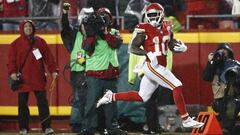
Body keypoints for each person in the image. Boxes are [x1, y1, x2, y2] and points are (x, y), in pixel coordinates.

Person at [96, 3, 204, 129]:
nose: (152, 18)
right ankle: (186, 119)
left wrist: (181, 47)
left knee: (142, 96)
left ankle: (111, 96)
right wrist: (147, 53)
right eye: (150, 15)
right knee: (177, 85)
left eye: (155, 15)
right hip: (153, 66)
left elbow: (170, 45)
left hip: (160, 65)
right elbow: (133, 48)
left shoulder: (168, 26)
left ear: (161, 15)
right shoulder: (143, 28)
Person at [80, 7, 126, 135]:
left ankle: (112, 128)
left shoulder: (114, 32)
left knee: (110, 104)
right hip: (94, 74)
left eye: (106, 17)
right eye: (101, 17)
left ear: (110, 19)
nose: (104, 19)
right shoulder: (90, 34)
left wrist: (105, 32)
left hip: (111, 74)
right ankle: (89, 128)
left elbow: (116, 44)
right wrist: (92, 33)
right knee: (91, 104)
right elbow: (87, 48)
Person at [7, 20, 58, 135]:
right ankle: (23, 128)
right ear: (22, 28)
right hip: (22, 79)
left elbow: (49, 58)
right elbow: (11, 61)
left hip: (38, 77)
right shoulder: (15, 44)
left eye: (30, 26)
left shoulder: (40, 42)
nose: (28, 28)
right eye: (26, 26)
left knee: (43, 104)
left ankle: (47, 127)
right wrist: (12, 72)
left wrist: (54, 70)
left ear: (33, 28)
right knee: (22, 105)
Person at [60, 2, 93, 133]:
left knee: (88, 99)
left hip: (89, 70)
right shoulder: (75, 33)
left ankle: (85, 124)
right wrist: (64, 14)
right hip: (78, 71)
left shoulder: (92, 35)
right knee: (79, 98)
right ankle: (77, 124)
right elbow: (65, 27)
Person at [202, 43, 240, 134]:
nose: (223, 52)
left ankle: (227, 128)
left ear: (229, 52)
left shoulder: (235, 64)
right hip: (219, 100)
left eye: (225, 50)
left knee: (233, 104)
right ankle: (227, 127)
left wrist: (234, 77)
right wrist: (212, 62)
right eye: (221, 50)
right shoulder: (214, 67)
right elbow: (206, 77)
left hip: (234, 99)